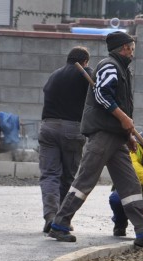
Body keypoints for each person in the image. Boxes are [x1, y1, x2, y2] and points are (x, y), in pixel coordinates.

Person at [47, 31, 143, 252]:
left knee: (130, 185)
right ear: (124, 48)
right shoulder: (110, 66)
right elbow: (102, 95)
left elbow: (115, 101)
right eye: (131, 47)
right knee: (85, 180)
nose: (133, 51)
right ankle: (60, 223)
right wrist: (123, 118)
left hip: (117, 137)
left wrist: (128, 135)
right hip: (103, 134)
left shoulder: (121, 69)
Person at [39, 46, 91, 234]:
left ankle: (50, 216)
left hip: (48, 127)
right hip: (72, 129)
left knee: (50, 174)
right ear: (85, 61)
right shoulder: (85, 73)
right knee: (68, 176)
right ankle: (61, 219)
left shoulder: (54, 75)